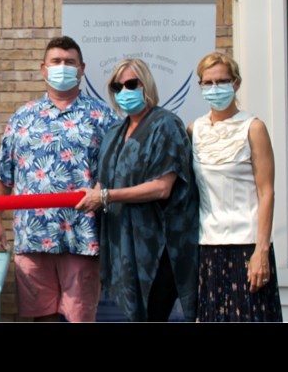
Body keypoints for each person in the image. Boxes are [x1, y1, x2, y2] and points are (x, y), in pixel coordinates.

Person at [0, 36, 119, 323]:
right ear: (43, 69)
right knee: (41, 317)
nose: (63, 67)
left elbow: (116, 174)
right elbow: (2, 174)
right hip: (33, 235)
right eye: (56, 62)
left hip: (84, 237)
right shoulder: (23, 117)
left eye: (69, 62)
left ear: (81, 68)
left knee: (80, 317)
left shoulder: (103, 116)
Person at [76, 58, 199, 322]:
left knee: (154, 314)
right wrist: (93, 195)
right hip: (124, 243)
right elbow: (104, 179)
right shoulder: (114, 131)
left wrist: (106, 196)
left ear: (146, 84)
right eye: (117, 86)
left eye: (131, 83)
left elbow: (162, 187)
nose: (124, 91)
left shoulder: (166, 125)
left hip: (159, 245)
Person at [189, 53, 282, 321]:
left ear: (236, 83)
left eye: (222, 81)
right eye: (208, 83)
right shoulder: (194, 130)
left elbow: (267, 192)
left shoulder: (254, 128)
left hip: (248, 244)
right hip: (208, 245)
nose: (215, 88)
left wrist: (261, 250)